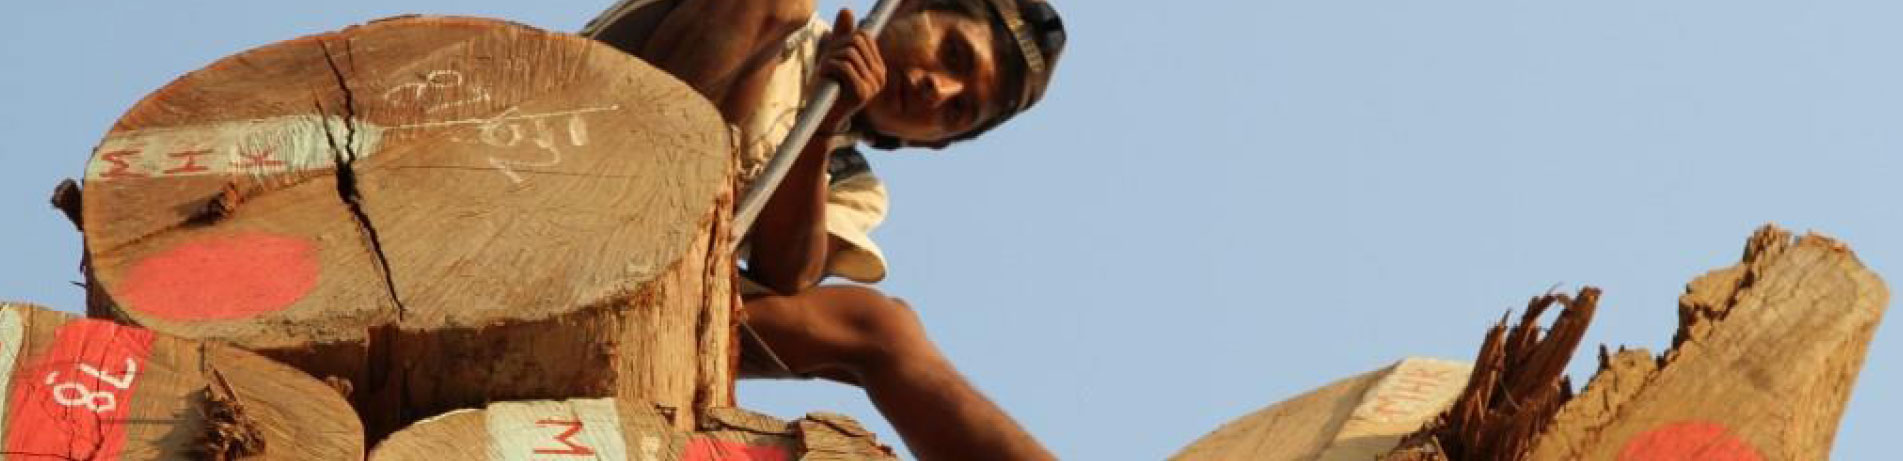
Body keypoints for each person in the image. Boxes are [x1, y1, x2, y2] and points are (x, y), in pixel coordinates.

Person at [582, 1, 1064, 459]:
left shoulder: (852, 184)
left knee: (881, 328)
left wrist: (821, 128)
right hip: (583, 176)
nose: (939, 90)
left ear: (935, 144)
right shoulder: (782, 23)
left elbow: (784, 275)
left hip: (649, 294)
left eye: (958, 113)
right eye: (952, 53)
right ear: (907, 8)